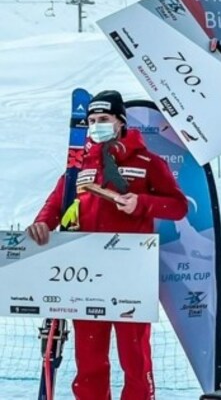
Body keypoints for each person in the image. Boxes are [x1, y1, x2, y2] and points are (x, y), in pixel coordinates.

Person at [27, 90, 188, 400]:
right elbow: (55, 206)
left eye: (103, 119)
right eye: (91, 121)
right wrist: (41, 225)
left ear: (120, 122)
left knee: (134, 358)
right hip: (88, 274)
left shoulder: (146, 161)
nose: (96, 126)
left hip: (130, 273)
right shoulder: (79, 166)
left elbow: (178, 206)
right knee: (89, 359)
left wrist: (140, 203)